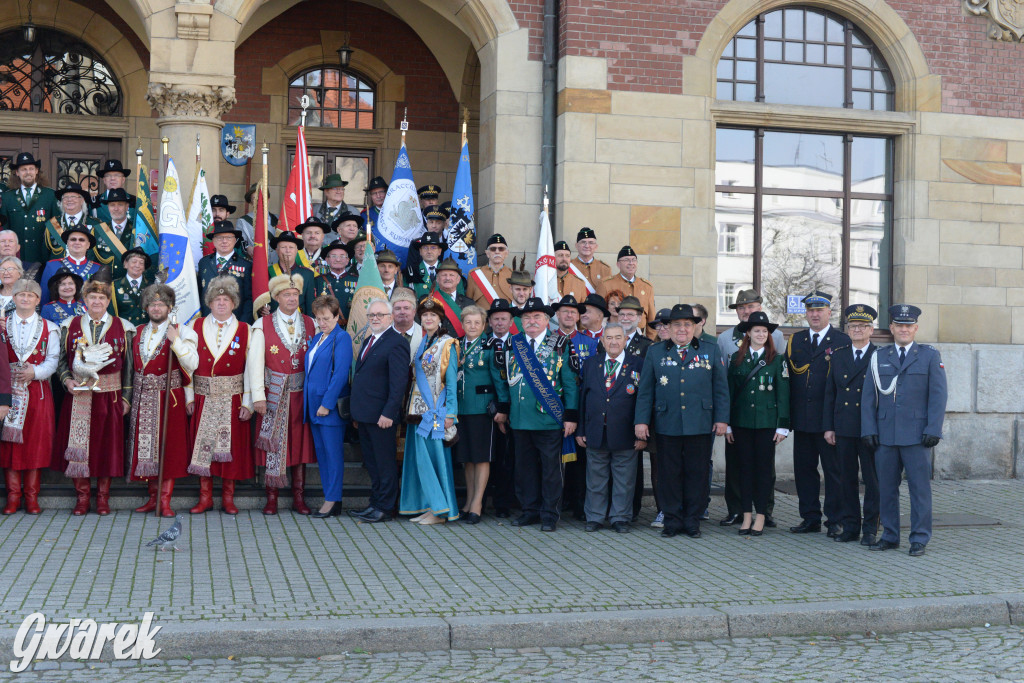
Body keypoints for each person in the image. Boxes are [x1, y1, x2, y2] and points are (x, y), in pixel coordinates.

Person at [635, 304, 728, 539]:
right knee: (669, 474)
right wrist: (641, 422)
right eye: (677, 325)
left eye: (687, 324)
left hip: (700, 422)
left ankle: (692, 520)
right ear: (669, 328)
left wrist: (722, 420)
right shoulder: (656, 352)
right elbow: (645, 391)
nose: (682, 329)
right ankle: (672, 520)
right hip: (668, 422)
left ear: (695, 326)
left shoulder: (710, 349)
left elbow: (720, 389)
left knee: (697, 475)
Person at [862, 305, 947, 557]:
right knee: (886, 488)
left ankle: (919, 538)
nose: (903, 329)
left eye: (908, 325)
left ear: (915, 328)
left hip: (917, 435)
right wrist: (868, 429)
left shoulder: (929, 356)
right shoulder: (879, 357)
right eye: (899, 325)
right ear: (891, 329)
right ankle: (890, 535)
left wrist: (934, 428)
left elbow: (938, 395)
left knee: (919, 489)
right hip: (886, 434)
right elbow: (869, 396)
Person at [494, 298, 578, 532]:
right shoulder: (513, 343)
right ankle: (529, 510)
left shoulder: (560, 343)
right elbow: (504, 378)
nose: (531, 321)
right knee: (524, 468)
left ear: (546, 320)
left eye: (537, 317)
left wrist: (570, 415)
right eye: (527, 317)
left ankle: (550, 514)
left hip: (549, 418)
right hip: (520, 418)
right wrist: (503, 409)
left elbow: (570, 382)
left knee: (551, 470)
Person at [54, 278, 135, 516]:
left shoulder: (124, 327)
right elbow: (61, 361)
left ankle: (102, 498)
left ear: (108, 301)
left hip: (109, 396)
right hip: (78, 394)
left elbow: (129, 367)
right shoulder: (70, 325)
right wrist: (67, 379)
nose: (97, 301)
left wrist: (126, 399)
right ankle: (82, 498)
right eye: (92, 297)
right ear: (85, 300)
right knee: (79, 448)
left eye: (101, 298)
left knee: (105, 448)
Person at [716, 288, 786, 527]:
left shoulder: (775, 338)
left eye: (751, 306)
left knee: (765, 467)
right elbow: (724, 382)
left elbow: (779, 380)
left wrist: (782, 423)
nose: (747, 311)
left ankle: (764, 511)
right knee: (737, 465)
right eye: (742, 307)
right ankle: (737, 510)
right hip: (739, 414)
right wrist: (725, 420)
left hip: (764, 417)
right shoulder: (725, 338)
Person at [128, 284, 199, 518]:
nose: (156, 307)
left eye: (161, 304)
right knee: (145, 449)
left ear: (169, 307)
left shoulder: (184, 330)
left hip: (170, 397)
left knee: (168, 449)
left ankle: (165, 501)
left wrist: (176, 341)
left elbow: (193, 364)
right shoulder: (137, 331)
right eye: (152, 304)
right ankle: (152, 498)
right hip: (142, 397)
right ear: (146, 307)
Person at [186, 276, 254, 515]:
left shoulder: (246, 329)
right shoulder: (195, 326)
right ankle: (205, 498)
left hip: (233, 399)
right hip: (203, 397)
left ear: (234, 303)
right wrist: (189, 397)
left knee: (230, 452)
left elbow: (251, 369)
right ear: (210, 303)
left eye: (226, 299)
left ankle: (228, 498)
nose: (221, 303)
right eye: (217, 299)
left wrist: (249, 402)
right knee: (203, 449)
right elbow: (187, 366)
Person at [250, 274, 317, 516]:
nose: (291, 298)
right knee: (273, 445)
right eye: (286, 294)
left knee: (300, 447)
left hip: (302, 396)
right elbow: (255, 363)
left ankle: (299, 497)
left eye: (295, 294)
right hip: (273, 395)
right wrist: (257, 396)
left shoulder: (311, 323)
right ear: (276, 297)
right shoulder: (262, 325)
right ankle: (272, 497)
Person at [786, 291, 850, 537]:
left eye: (819, 310)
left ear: (828, 312)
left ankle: (835, 519)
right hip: (802, 419)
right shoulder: (796, 341)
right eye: (810, 310)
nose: (814, 314)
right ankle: (810, 517)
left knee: (834, 472)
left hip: (829, 421)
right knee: (804, 471)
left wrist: (835, 422)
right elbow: (789, 379)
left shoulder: (842, 340)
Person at [348, 299, 411, 523]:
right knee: (372, 463)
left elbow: (398, 384)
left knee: (384, 464)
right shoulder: (369, 340)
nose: (375, 318)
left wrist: (389, 413)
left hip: (382, 417)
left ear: (390, 317)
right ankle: (374, 503)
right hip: (365, 415)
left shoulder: (396, 343)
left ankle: (385, 507)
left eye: (380, 315)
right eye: (372, 315)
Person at [578, 323, 645, 533]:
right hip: (596, 431)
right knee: (595, 479)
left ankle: (620, 518)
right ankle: (595, 517)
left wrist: (643, 432)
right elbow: (582, 399)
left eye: (618, 337)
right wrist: (581, 429)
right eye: (608, 338)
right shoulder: (591, 364)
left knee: (624, 480)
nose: (613, 342)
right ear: (602, 340)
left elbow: (644, 400)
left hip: (626, 432)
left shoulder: (639, 364)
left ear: (625, 340)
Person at [399, 299, 460, 525]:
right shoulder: (424, 341)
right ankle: (429, 506)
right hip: (418, 411)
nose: (428, 319)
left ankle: (440, 511)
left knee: (436, 460)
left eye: (433, 315)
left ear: (440, 318)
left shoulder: (448, 344)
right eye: (425, 316)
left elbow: (451, 382)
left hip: (436, 412)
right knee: (422, 461)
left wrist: (450, 414)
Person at [824, 304, 880, 545]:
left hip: (869, 428)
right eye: (853, 326)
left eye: (862, 326)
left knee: (872, 480)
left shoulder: (879, 356)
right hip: (844, 427)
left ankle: (870, 529)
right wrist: (829, 426)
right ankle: (850, 527)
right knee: (845, 479)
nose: (857, 330)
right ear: (847, 330)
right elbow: (830, 394)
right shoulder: (839, 354)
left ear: (872, 329)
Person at [1, 280, 57, 515]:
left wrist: (35, 372)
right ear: (13, 299)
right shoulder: (2, 326)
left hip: (37, 392)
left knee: (35, 444)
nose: (25, 299)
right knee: (9, 446)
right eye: (20, 295)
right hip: (8, 390)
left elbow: (53, 360)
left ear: (37, 300)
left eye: (30, 295)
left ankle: (32, 497)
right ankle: (13, 497)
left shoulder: (50, 327)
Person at [304, 295, 352, 518]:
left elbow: (341, 374)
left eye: (326, 318)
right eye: (318, 318)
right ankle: (330, 497)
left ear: (336, 316)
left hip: (327, 408)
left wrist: (327, 404)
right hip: (313, 406)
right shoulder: (317, 338)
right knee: (323, 456)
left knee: (332, 456)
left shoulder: (341, 338)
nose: (322, 323)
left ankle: (332, 500)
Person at [454, 305, 494, 524]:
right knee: (466, 459)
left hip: (482, 408)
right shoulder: (456, 345)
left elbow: (499, 378)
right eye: (468, 322)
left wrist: (500, 406)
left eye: (477, 322)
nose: (472, 326)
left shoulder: (490, 345)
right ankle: (468, 502)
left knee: (481, 457)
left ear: (484, 325)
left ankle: (478, 504)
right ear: (462, 323)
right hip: (460, 408)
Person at [617, 296, 654, 521]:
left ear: (639, 318)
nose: (626, 318)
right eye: (622, 314)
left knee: (635, 464)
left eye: (631, 314)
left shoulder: (648, 346)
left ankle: (633, 508)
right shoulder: (610, 340)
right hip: (614, 413)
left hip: (635, 412)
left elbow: (648, 385)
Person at [484, 298, 518, 517]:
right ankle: (488, 500)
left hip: (513, 411)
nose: (499, 323)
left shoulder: (520, 344)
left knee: (509, 458)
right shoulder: (482, 343)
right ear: (489, 321)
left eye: (503, 318)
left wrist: (505, 411)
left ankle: (505, 502)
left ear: (511, 320)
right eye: (495, 319)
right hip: (486, 410)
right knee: (489, 458)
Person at [0, 153, 59, 269]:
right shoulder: (8, 197)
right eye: (23, 169)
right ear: (17, 173)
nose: (28, 172)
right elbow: (5, 230)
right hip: (15, 259)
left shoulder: (50, 195)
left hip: (42, 258)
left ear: (37, 171)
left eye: (31, 169)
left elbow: (56, 229)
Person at [197, 220, 254, 322]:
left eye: (228, 237)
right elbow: (198, 294)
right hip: (207, 322)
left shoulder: (245, 265)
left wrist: (243, 325)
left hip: (235, 322)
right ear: (213, 241)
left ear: (235, 240)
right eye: (219, 238)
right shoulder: (204, 263)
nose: (224, 241)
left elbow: (248, 299)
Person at [598, 246, 656, 338]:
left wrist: (650, 342)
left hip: (639, 337)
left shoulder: (647, 286)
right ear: (618, 264)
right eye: (626, 260)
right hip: (612, 336)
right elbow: (599, 314)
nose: (631, 263)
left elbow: (651, 319)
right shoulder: (606, 284)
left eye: (634, 260)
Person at [39, 226, 101, 306]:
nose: (77, 242)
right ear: (67, 243)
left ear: (88, 245)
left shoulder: (97, 268)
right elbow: (44, 297)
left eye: (81, 240)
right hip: (59, 315)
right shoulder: (52, 266)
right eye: (73, 239)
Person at [265, 231, 317, 316]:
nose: (287, 251)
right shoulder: (267, 272)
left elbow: (310, 305)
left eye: (291, 247)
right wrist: (261, 309)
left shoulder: (307, 274)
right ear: (277, 250)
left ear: (296, 250)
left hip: (299, 323)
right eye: (283, 247)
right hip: (273, 322)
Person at [93, 187, 135, 279]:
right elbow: (92, 262)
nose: (116, 209)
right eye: (112, 205)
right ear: (108, 207)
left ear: (127, 207)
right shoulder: (97, 231)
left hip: (127, 285)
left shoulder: (135, 231)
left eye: (120, 205)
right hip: (104, 285)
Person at [109, 248, 154, 327]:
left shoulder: (151, 286)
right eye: (134, 261)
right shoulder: (114, 286)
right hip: (123, 332)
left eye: (141, 263)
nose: (137, 265)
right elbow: (111, 314)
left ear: (144, 267)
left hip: (145, 333)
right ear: (125, 264)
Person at [466, 233, 513, 308]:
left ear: (506, 253)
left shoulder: (513, 275)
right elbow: (468, 302)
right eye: (493, 249)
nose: (497, 252)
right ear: (487, 253)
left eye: (501, 249)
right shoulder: (474, 274)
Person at [428, 258, 474, 333]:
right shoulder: (428, 301)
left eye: (451, 275)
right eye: (444, 275)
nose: (448, 278)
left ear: (458, 279)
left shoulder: (469, 304)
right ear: (437, 279)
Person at [314, 242, 359, 319]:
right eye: (333, 256)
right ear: (327, 260)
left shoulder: (357, 280)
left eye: (342, 256)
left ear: (347, 260)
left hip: (349, 328)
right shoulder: (318, 280)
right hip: (325, 327)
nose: (338, 259)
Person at [92, 160, 133, 227]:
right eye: (108, 176)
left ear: (123, 179)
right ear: (104, 180)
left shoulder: (134, 201)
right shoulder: (94, 202)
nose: (112, 178)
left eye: (117, 175)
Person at [412, 232, 445, 300]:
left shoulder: (450, 273)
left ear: (439, 251)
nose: (429, 251)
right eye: (425, 248)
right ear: (420, 251)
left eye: (433, 248)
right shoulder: (411, 273)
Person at [390, 288, 422, 357]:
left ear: (414, 311)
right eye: (398, 308)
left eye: (406, 308)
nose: (402, 312)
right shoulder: (383, 334)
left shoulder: (424, 335)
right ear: (392, 312)